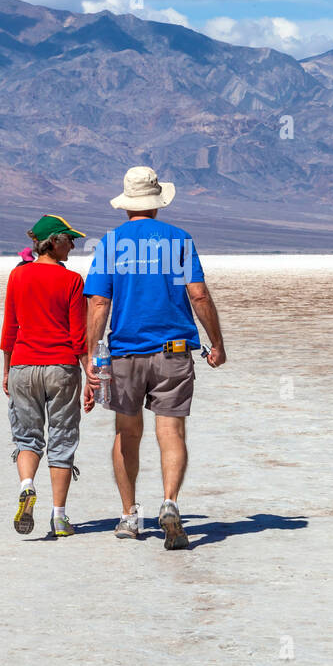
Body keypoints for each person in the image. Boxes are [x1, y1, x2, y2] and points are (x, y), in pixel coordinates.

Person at [84, 167, 227, 550]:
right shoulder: (179, 240)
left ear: (126, 204)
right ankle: (170, 502)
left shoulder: (111, 243)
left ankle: (130, 515)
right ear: (158, 203)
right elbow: (198, 295)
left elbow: (99, 301)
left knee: (126, 433)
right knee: (172, 432)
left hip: (125, 353)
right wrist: (217, 342)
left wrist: (90, 356)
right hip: (174, 353)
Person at [1, 216, 89, 538]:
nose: (73, 244)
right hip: (61, 367)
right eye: (69, 238)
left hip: (23, 366)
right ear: (53, 241)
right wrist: (90, 371)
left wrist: (7, 370)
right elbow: (78, 334)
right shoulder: (72, 281)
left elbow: (10, 328)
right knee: (62, 439)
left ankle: (27, 485)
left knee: (27, 437)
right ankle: (60, 517)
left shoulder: (17, 275)